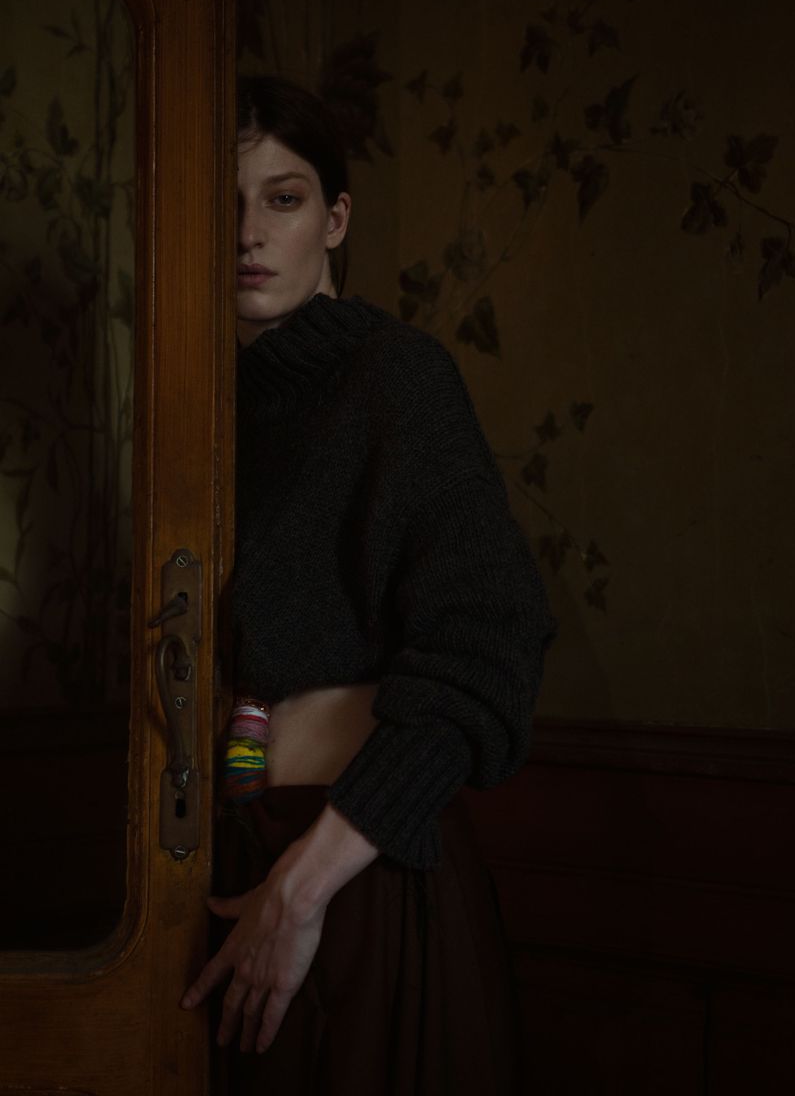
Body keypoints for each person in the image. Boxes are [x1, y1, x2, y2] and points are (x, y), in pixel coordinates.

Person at [180, 76, 555, 1094]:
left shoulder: (398, 377)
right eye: (227, 202)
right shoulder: (202, 412)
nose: (249, 232)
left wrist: (302, 890)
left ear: (335, 220)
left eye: (284, 198)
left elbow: (490, 648)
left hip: (356, 870)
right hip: (231, 859)